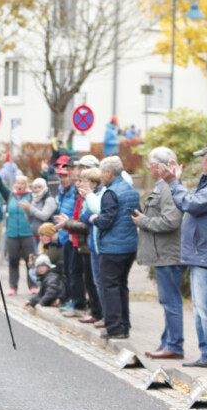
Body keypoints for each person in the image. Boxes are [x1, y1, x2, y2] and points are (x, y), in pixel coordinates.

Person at [159, 142, 207, 368]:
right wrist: (177, 182)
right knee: (200, 309)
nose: (201, 162)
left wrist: (173, 182)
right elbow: (188, 202)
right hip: (202, 251)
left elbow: (190, 204)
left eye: (203, 159)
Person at [132, 147, 184, 359]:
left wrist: (143, 221)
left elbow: (171, 221)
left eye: (152, 164)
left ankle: (174, 346)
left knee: (171, 302)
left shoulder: (169, 189)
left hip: (168, 254)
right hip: (163, 252)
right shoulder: (163, 187)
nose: (150, 168)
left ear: (162, 166)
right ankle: (167, 343)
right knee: (168, 302)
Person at [89, 156, 140, 340]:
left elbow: (106, 220)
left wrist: (95, 219)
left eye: (102, 172)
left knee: (109, 287)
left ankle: (115, 328)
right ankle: (124, 324)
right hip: (129, 246)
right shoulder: (132, 190)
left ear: (109, 173)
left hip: (113, 247)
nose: (100, 176)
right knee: (121, 286)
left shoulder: (110, 193)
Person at [56, 169, 101, 323]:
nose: (78, 183)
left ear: (93, 183)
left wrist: (67, 224)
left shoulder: (92, 199)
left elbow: (87, 224)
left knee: (90, 279)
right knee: (75, 273)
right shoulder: (81, 198)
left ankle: (91, 310)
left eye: (82, 181)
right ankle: (79, 305)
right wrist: (68, 223)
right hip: (77, 240)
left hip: (87, 243)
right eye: (78, 180)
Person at [0, 162, 35, 295]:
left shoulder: (31, 196)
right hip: (12, 234)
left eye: (22, 183)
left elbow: (42, 189)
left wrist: (44, 173)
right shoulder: (10, 195)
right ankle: (13, 287)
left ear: (26, 185)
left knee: (31, 261)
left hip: (28, 233)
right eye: (18, 183)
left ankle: (33, 285)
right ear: (15, 184)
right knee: (13, 261)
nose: (20, 185)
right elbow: (0, 184)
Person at [55, 156, 85, 313]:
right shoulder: (63, 192)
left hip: (74, 236)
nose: (63, 179)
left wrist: (70, 227)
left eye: (65, 175)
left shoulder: (76, 191)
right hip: (65, 236)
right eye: (60, 176)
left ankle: (77, 301)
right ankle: (71, 299)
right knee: (68, 271)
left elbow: (78, 214)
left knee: (75, 272)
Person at [22, 177, 56, 253]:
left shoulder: (49, 200)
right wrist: (26, 210)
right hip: (36, 235)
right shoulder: (34, 200)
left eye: (39, 187)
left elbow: (44, 216)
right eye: (35, 188)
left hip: (46, 235)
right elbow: (30, 220)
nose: (37, 190)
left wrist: (30, 208)